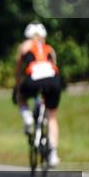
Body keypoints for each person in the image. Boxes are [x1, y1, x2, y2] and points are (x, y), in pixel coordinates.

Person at [14, 22, 62, 166]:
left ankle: (27, 117)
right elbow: (54, 65)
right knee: (52, 116)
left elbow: (18, 69)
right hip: (53, 79)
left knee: (20, 96)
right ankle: (53, 153)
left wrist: (18, 84)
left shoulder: (25, 46)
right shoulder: (50, 49)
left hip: (33, 78)